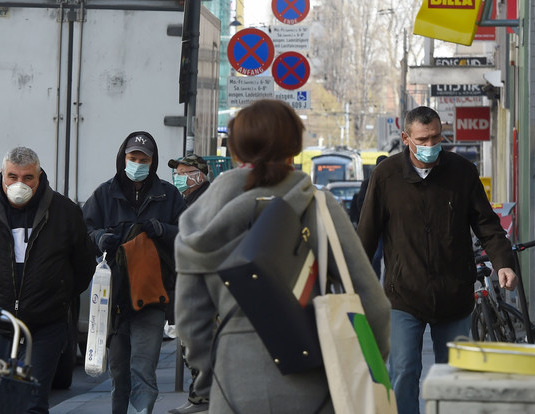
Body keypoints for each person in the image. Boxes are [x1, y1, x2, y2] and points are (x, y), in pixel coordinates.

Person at [175, 99, 390, 413]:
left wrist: (211, 379)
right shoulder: (318, 206)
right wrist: (369, 366)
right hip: (314, 388)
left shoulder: (200, 219)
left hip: (232, 388)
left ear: (235, 151)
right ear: (294, 147)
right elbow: (374, 305)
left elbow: (189, 318)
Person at [357, 105, 518, 414]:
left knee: (453, 378)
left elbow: (486, 224)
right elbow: (366, 236)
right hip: (403, 295)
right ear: (406, 137)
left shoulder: (461, 171)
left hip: (454, 295)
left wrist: (503, 262)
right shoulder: (386, 176)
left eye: (436, 137)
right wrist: (357, 285)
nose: (431, 146)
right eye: (423, 139)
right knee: (403, 372)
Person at [0, 146, 96, 414]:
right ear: (2, 175)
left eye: (27, 178)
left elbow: (82, 265)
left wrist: (58, 296)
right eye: (13, 176)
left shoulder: (65, 212)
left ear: (39, 176)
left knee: (33, 400)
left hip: (46, 325)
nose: (19, 184)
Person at [82, 131, 186, 414]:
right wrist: (100, 237)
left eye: (144, 159)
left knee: (143, 367)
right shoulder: (105, 193)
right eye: (133, 158)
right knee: (119, 372)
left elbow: (189, 235)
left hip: (151, 296)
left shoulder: (168, 195)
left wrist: (163, 230)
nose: (138, 163)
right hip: (114, 299)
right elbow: (84, 230)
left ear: (153, 162)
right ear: (123, 158)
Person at [167, 153, 212, 414]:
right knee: (189, 342)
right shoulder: (186, 200)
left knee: (195, 341)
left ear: (199, 175)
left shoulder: (204, 201)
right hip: (187, 280)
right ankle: (198, 394)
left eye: (184, 173)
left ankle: (202, 397)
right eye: (177, 173)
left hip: (200, 284)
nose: (179, 178)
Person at [350, 154, 387, 277]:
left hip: (389, 226)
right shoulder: (368, 182)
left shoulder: (394, 181)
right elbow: (361, 202)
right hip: (375, 226)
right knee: (375, 256)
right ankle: (375, 279)